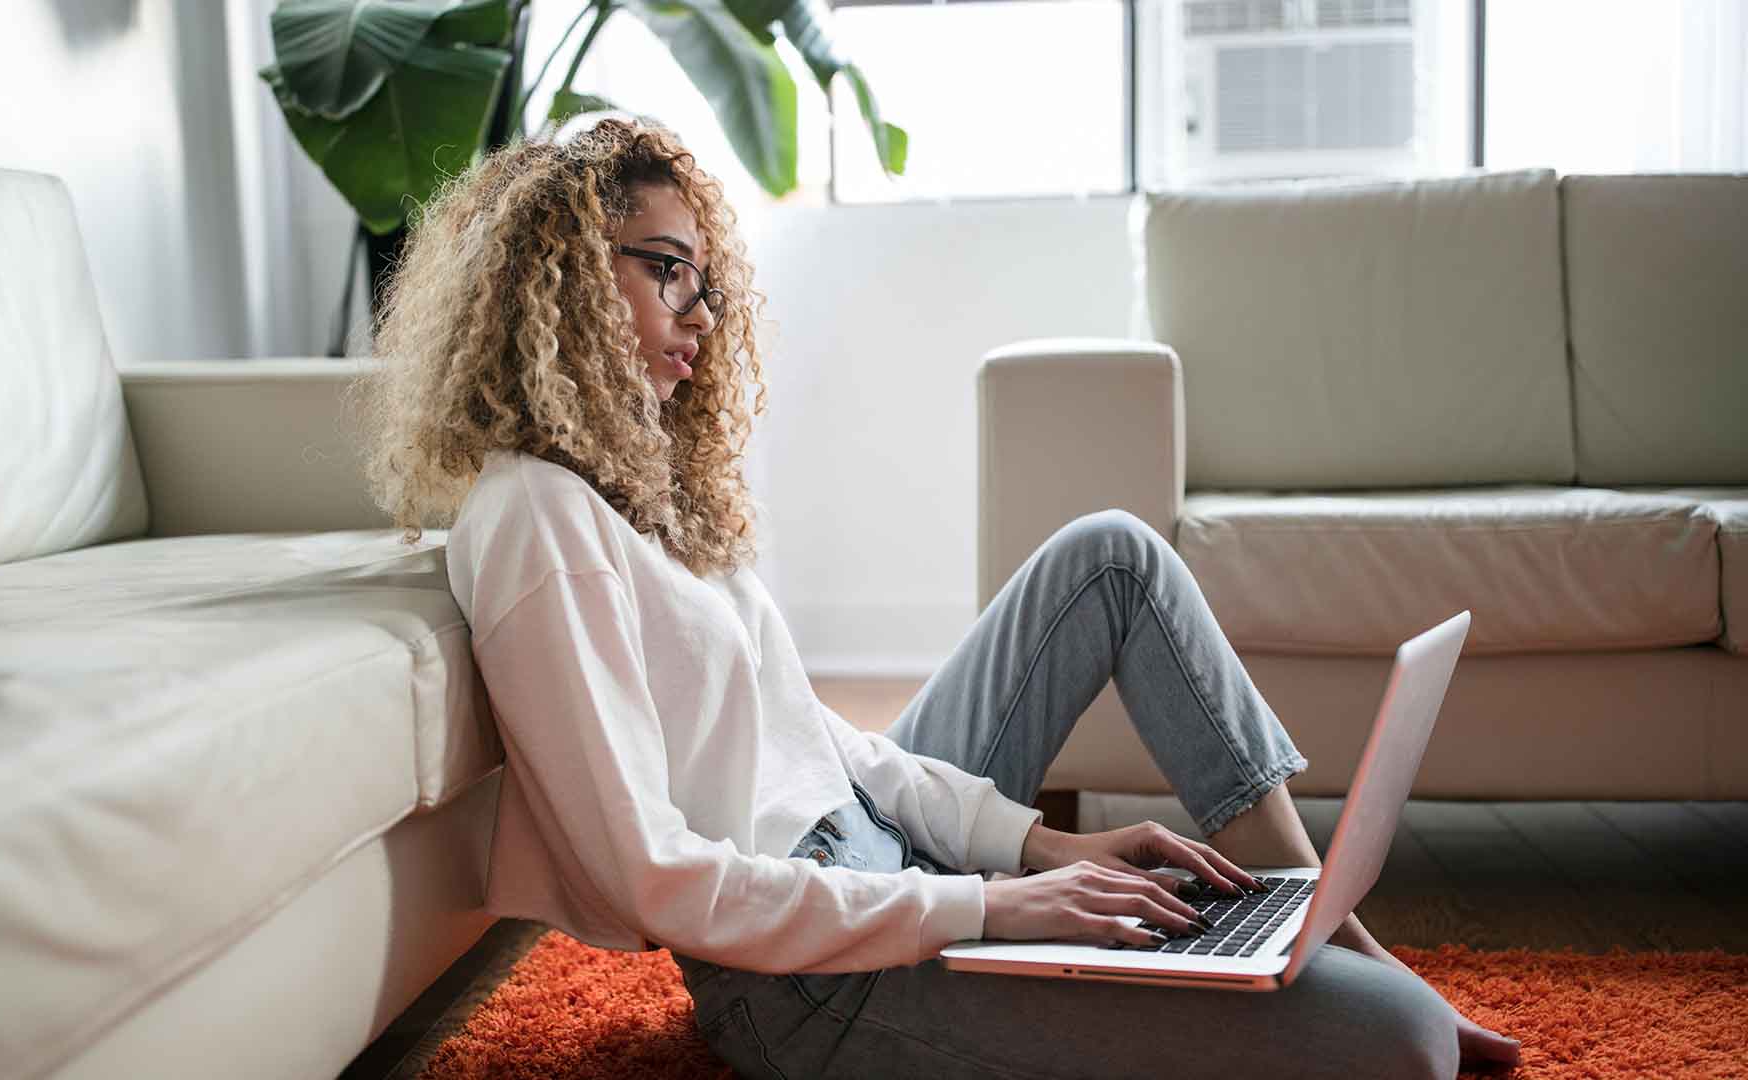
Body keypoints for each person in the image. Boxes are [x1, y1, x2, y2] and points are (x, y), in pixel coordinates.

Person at [348, 115, 1521, 1079]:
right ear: (556, 285)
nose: (702, 316)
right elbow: (648, 875)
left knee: (1112, 554)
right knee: (1399, 1046)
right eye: (667, 272)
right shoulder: (534, 519)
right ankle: (1340, 968)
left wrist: (1038, 844)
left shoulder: (646, 496)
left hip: (884, 864)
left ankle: (1315, 919)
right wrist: (987, 907)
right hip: (808, 985)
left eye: (706, 280)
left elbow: (824, 745)